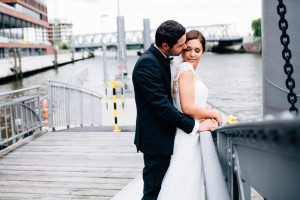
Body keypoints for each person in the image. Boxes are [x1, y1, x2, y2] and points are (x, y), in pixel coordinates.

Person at [130, 20, 222, 200]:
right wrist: (196, 125)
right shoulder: (147, 64)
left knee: (165, 186)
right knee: (153, 192)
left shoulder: (163, 60)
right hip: (156, 139)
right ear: (166, 45)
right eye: (182, 46)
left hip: (167, 135)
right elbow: (163, 107)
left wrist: (202, 109)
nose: (184, 50)